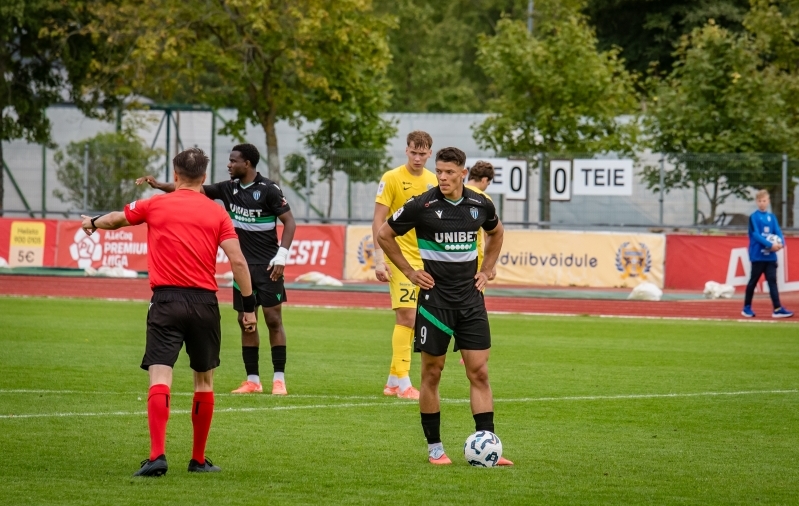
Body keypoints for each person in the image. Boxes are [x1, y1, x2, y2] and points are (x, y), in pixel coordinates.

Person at [82, 148, 257, 477]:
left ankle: (157, 455)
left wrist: (90, 223)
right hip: (205, 304)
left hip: (166, 301)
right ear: (204, 178)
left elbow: (115, 220)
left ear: (175, 176)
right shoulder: (217, 213)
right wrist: (248, 310)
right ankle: (199, 460)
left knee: (160, 376)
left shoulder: (154, 204)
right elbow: (238, 262)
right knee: (204, 381)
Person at [377, 146, 513, 466]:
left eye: (450, 172)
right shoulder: (422, 204)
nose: (442, 177)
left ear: (464, 174)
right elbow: (385, 235)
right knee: (432, 373)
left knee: (479, 371)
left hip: (471, 300)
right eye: (439, 171)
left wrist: (488, 268)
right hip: (435, 302)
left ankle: (488, 444)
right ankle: (435, 449)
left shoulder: (480, 204)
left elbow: (497, 233)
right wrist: (410, 272)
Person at [138, 143, 296, 395]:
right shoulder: (227, 188)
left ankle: (279, 379)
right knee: (246, 322)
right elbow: (190, 188)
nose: (228, 164)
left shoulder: (269, 190)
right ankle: (253, 380)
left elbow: (289, 222)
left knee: (273, 319)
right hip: (242, 268)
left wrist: (281, 257)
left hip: (268, 266)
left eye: (233, 161)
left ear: (248, 164)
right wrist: (159, 186)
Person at [371, 131, 438, 400]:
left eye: (423, 153)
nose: (418, 158)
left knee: (417, 318)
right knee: (407, 318)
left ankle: (391, 381)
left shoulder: (434, 180)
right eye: (413, 152)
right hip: (398, 257)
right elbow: (378, 220)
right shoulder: (391, 178)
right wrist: (378, 259)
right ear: (406, 150)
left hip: (425, 258)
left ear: (430, 153)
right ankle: (404, 384)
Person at [742, 189, 794, 318]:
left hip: (770, 257)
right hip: (757, 256)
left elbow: (777, 231)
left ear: (768, 201)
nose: (762, 203)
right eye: (759, 201)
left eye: (764, 201)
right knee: (753, 281)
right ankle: (746, 307)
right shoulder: (754, 217)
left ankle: (777, 308)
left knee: (772, 281)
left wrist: (781, 243)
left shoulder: (772, 217)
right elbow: (756, 235)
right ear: (756, 202)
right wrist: (770, 244)